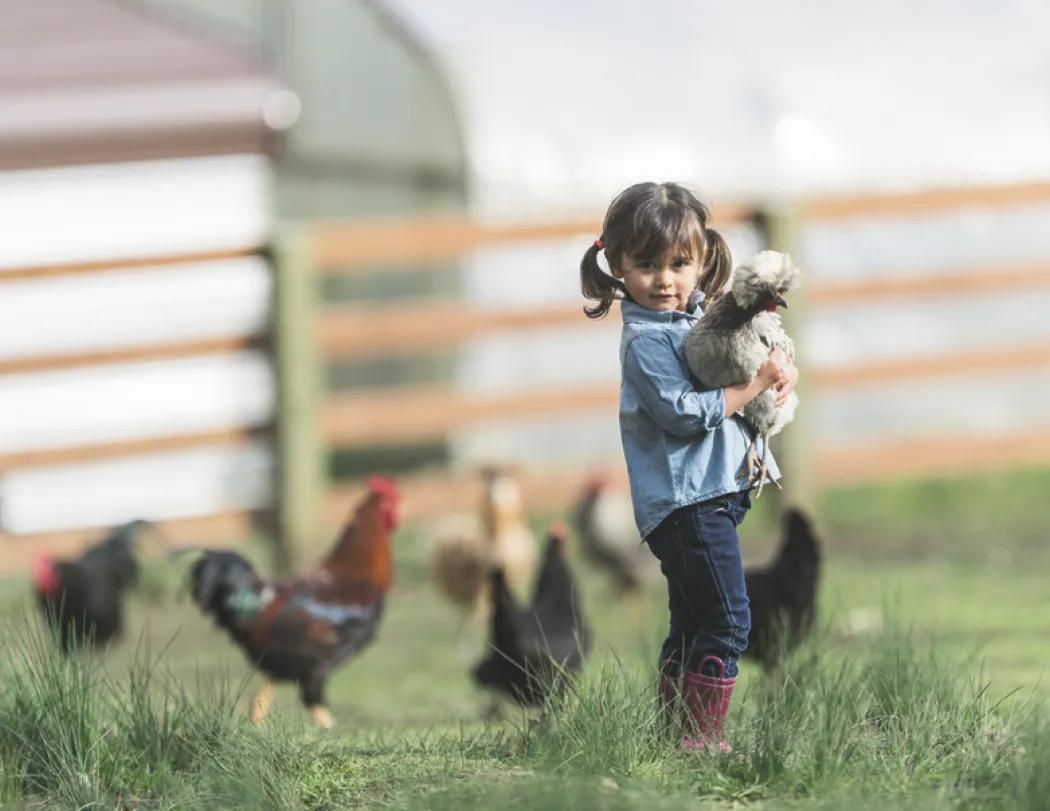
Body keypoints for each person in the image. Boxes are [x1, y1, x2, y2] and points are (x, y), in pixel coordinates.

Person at [580, 181, 798, 751]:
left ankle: (673, 733)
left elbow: (752, 340)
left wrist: (779, 369)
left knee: (693, 621)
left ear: (702, 263)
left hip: (709, 498)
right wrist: (751, 384)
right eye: (646, 264)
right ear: (619, 267)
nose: (664, 279)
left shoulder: (698, 321)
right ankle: (702, 740)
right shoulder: (646, 342)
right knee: (729, 621)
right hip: (686, 503)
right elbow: (683, 414)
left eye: (680, 263)